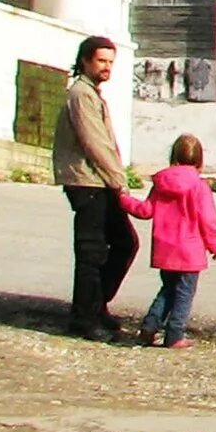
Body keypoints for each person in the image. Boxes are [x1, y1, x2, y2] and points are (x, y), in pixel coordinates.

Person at [52, 35, 137, 340]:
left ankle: (96, 306)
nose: (106, 67)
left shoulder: (92, 93)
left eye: (110, 62)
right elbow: (94, 142)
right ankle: (84, 319)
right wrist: (119, 180)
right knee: (91, 253)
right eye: (101, 61)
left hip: (99, 180)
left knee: (124, 243)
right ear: (85, 61)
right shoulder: (81, 95)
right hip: (87, 180)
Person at [121, 134, 216, 348]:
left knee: (167, 289)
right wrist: (214, 245)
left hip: (165, 249)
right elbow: (208, 219)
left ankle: (149, 328)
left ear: (173, 156)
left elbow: (145, 210)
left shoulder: (161, 183)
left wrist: (123, 199)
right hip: (190, 251)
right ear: (200, 161)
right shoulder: (199, 186)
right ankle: (175, 335)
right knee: (184, 294)